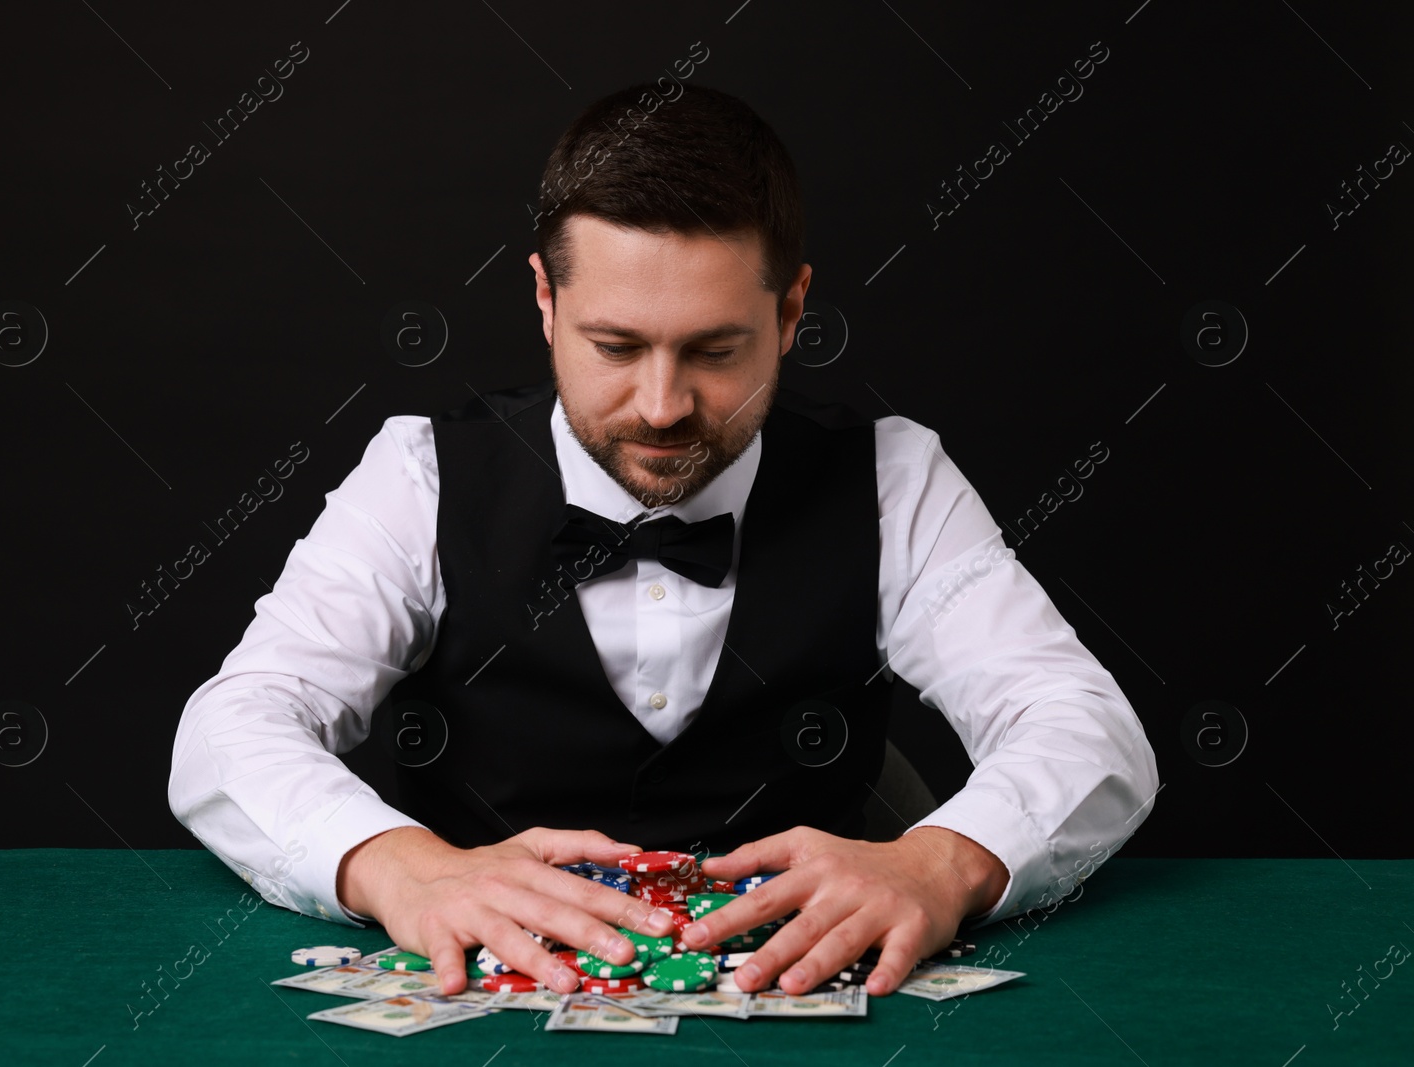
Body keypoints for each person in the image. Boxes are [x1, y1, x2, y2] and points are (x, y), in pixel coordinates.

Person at [168, 82, 1159, 1002]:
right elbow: (232, 728)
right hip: (492, 1002)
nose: (661, 405)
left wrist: (940, 860)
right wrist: (398, 865)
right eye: (616, 346)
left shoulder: (891, 476)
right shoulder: (420, 473)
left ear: (791, 310)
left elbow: (1081, 722)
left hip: (804, 999)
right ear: (545, 303)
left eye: (714, 349)